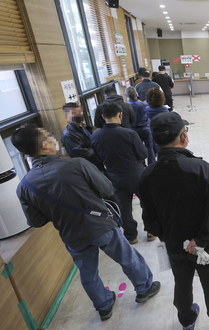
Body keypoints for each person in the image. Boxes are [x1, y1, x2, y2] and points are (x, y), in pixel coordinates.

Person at [13, 124, 160, 321]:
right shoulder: (76, 164)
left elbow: (36, 221)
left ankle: (104, 306)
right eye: (48, 136)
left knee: (88, 273)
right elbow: (107, 188)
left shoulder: (24, 187)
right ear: (45, 145)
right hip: (100, 226)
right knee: (127, 257)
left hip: (71, 235)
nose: (53, 139)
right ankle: (144, 287)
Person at [138, 112, 209, 330]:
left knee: (182, 283)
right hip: (205, 246)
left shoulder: (146, 175)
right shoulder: (200, 169)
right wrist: (198, 240)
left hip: (174, 245)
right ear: (183, 137)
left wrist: (172, 238)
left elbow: (150, 220)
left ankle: (187, 320)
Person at [91, 103, 151, 244]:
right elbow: (143, 154)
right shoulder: (129, 134)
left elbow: (97, 160)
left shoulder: (96, 136)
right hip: (136, 174)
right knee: (147, 202)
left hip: (114, 176)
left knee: (123, 207)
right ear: (120, 115)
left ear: (102, 116)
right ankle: (151, 231)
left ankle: (131, 235)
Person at [60, 102, 105, 173]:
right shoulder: (68, 135)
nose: (78, 114)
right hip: (89, 169)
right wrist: (99, 149)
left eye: (79, 112)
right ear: (66, 116)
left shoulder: (86, 127)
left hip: (100, 165)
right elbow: (82, 154)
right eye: (73, 113)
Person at [127, 86, 156, 164]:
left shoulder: (126, 106)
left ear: (127, 96)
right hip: (145, 129)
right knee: (150, 148)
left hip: (133, 131)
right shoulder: (143, 105)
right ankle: (152, 164)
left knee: (137, 149)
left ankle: (142, 164)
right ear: (136, 94)